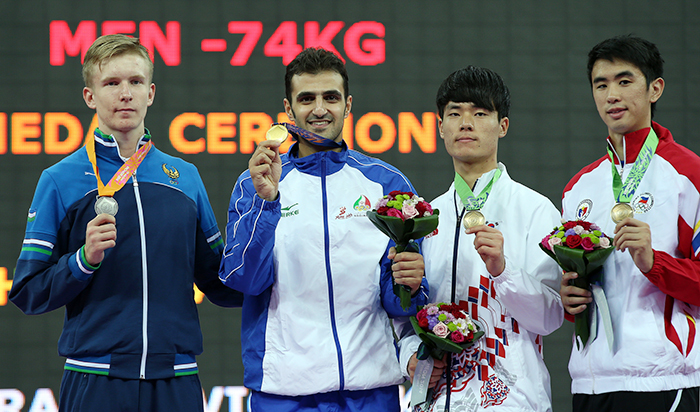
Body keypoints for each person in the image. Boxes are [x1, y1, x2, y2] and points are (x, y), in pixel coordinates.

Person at [9, 34, 242, 412]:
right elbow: (27, 292)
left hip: (176, 378)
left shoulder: (185, 177)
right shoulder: (59, 179)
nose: (125, 93)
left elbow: (221, 282)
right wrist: (82, 260)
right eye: (111, 83)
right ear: (90, 96)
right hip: (96, 378)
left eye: (135, 82)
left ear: (150, 93)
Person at [219, 47, 428, 412]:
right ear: (288, 110)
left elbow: (402, 302)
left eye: (331, 97)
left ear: (348, 105)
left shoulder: (387, 185)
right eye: (307, 99)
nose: (319, 110)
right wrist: (267, 202)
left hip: (371, 390)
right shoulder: (256, 183)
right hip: (284, 392)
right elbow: (244, 281)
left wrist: (410, 283)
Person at [395, 66, 564, 411]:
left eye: (480, 113)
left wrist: (503, 270)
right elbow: (406, 318)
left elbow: (550, 317)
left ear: (502, 126)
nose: (465, 123)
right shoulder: (426, 218)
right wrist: (410, 356)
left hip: (512, 402)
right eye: (454, 113)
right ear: (440, 127)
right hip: (435, 400)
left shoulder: (535, 209)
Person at [560, 34, 700, 411]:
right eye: (600, 84)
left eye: (625, 81)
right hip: (589, 382)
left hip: (662, 379)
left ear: (655, 89)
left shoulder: (690, 177)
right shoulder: (578, 188)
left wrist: (655, 262)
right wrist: (569, 296)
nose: (611, 95)